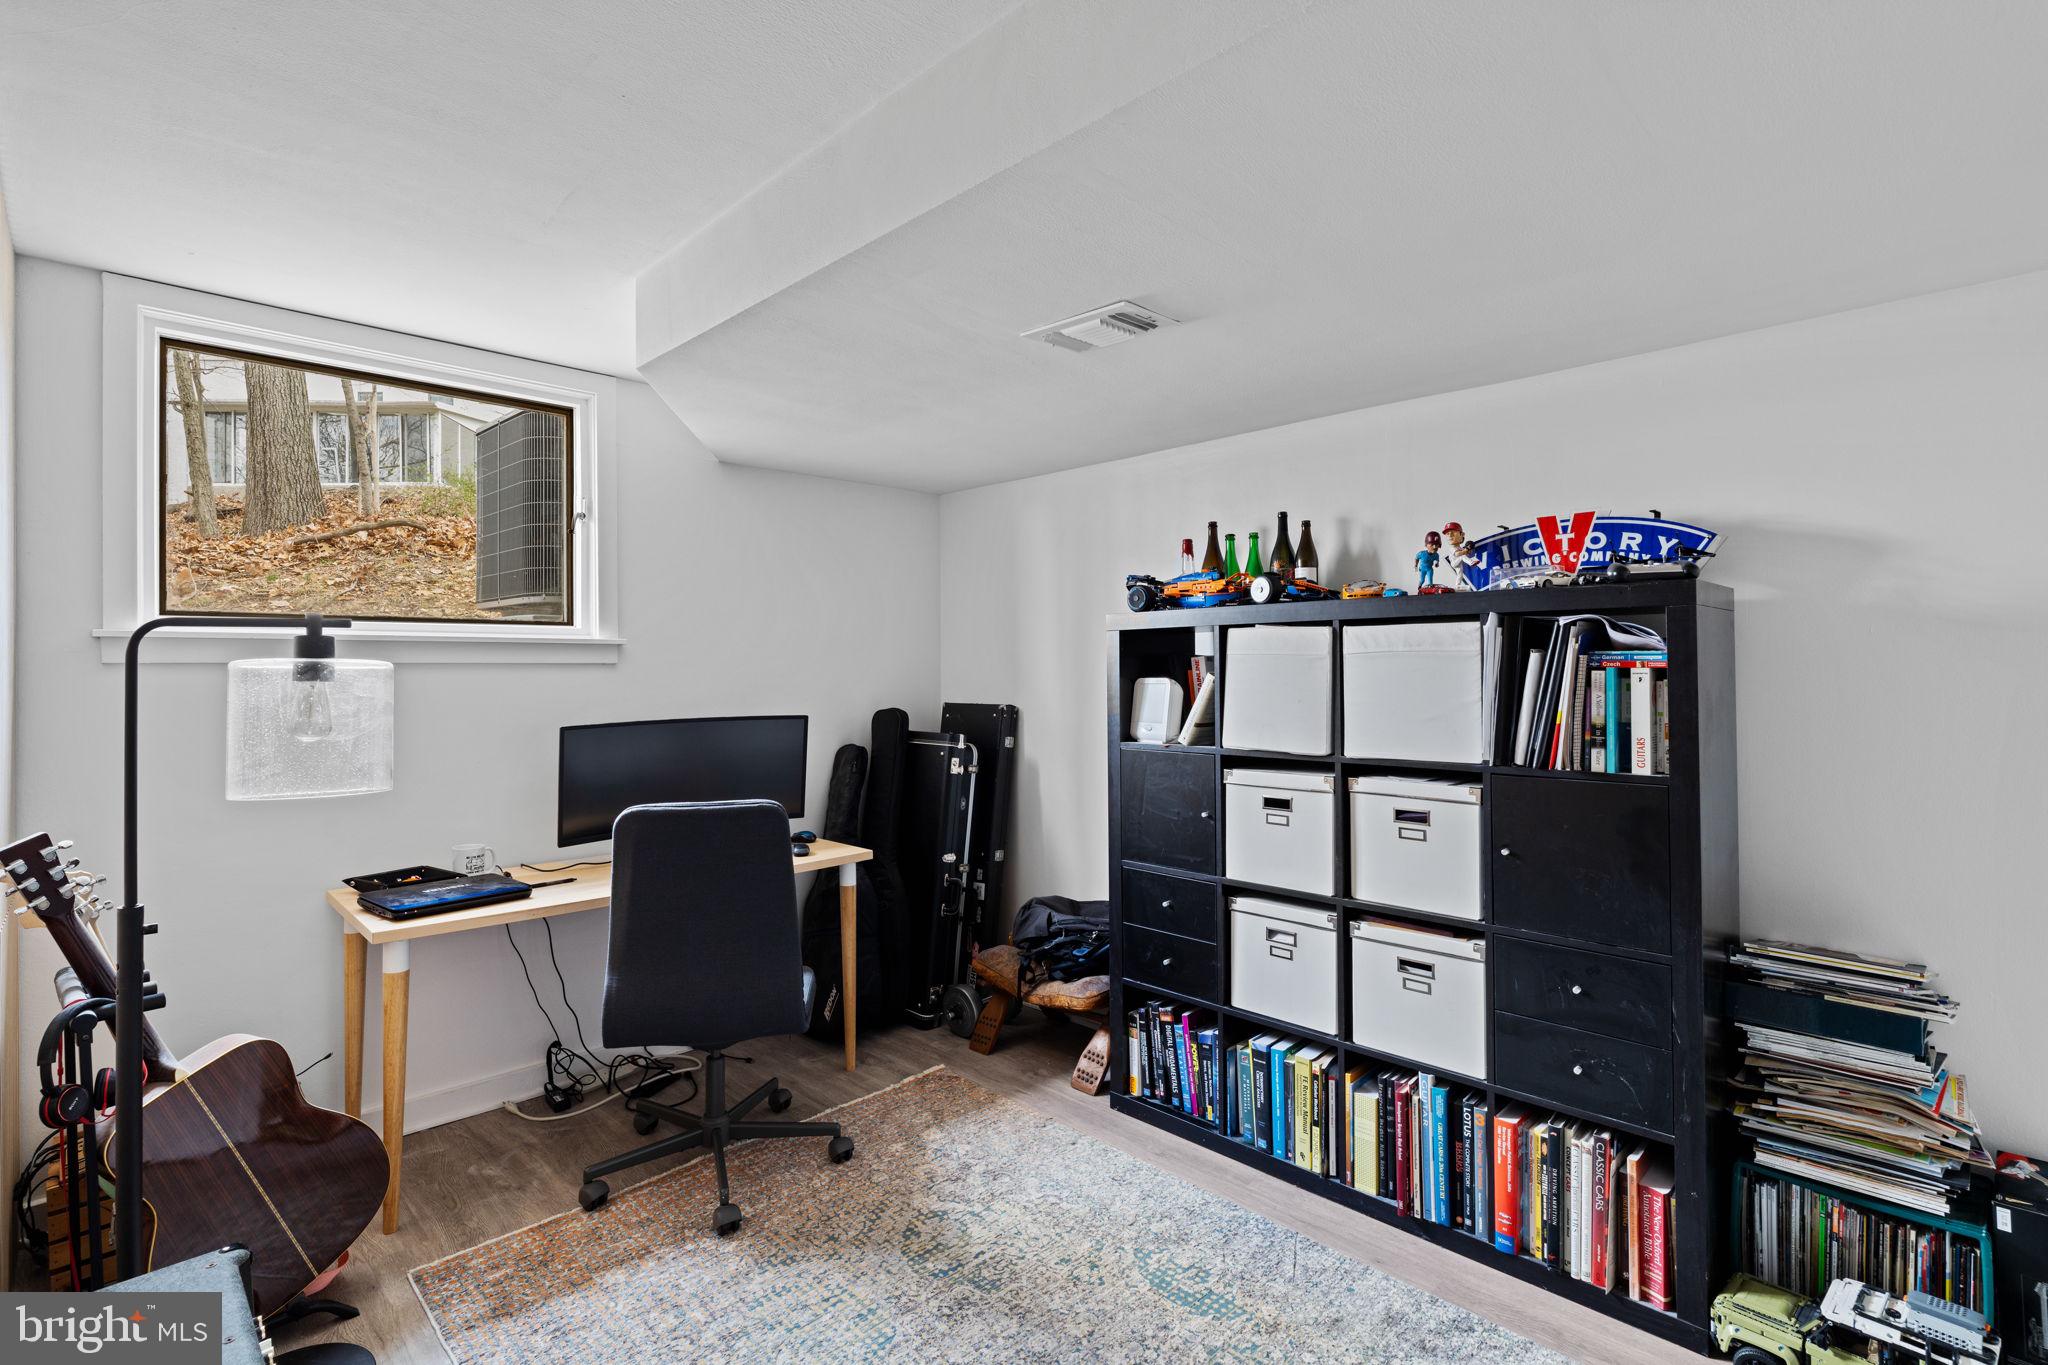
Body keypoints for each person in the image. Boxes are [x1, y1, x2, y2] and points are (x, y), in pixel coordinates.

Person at [1440, 521, 1481, 590]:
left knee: (1460, 574)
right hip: (1454, 563)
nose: (1450, 535)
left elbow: (1465, 553)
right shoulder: (1452, 548)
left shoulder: (1460, 548)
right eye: (1447, 534)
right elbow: (1457, 554)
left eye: (1453, 533)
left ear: (1462, 534)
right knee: (1461, 557)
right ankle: (1471, 563)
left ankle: (1457, 586)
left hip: (1458, 563)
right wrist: (1466, 550)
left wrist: (1468, 550)